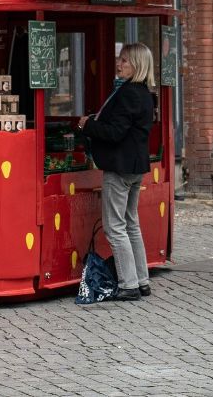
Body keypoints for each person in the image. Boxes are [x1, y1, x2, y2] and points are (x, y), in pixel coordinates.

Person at [78, 43, 157, 300]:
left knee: (115, 227)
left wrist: (88, 125)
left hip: (120, 167)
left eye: (124, 60)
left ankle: (128, 284)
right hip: (135, 166)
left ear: (137, 65)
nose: (119, 64)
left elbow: (115, 133)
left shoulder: (128, 93)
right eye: (119, 59)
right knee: (131, 223)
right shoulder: (144, 93)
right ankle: (142, 280)